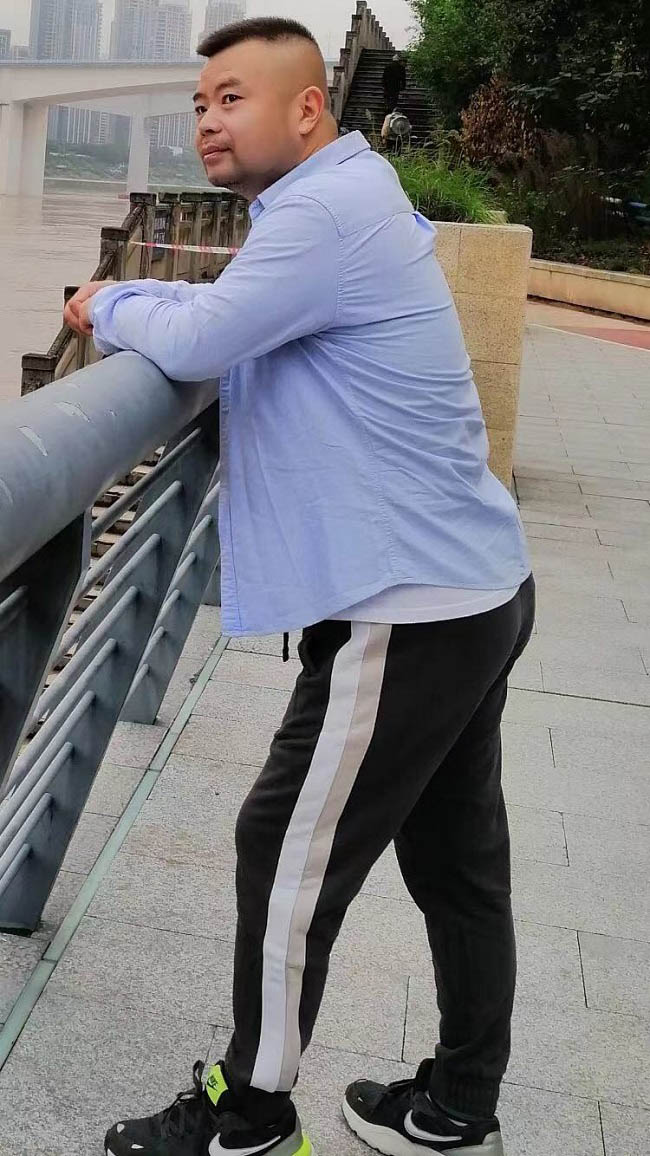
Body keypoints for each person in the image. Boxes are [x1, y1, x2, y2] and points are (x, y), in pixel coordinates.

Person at [64, 17, 533, 1156]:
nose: (207, 121)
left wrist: (103, 303)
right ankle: (459, 1101)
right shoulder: (347, 198)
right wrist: (160, 305)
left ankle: (251, 1111)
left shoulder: (321, 212)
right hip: (470, 584)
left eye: (232, 98)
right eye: (199, 103)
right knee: (456, 863)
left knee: (281, 846)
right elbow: (232, 318)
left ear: (309, 108)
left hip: (404, 603)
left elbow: (204, 337)